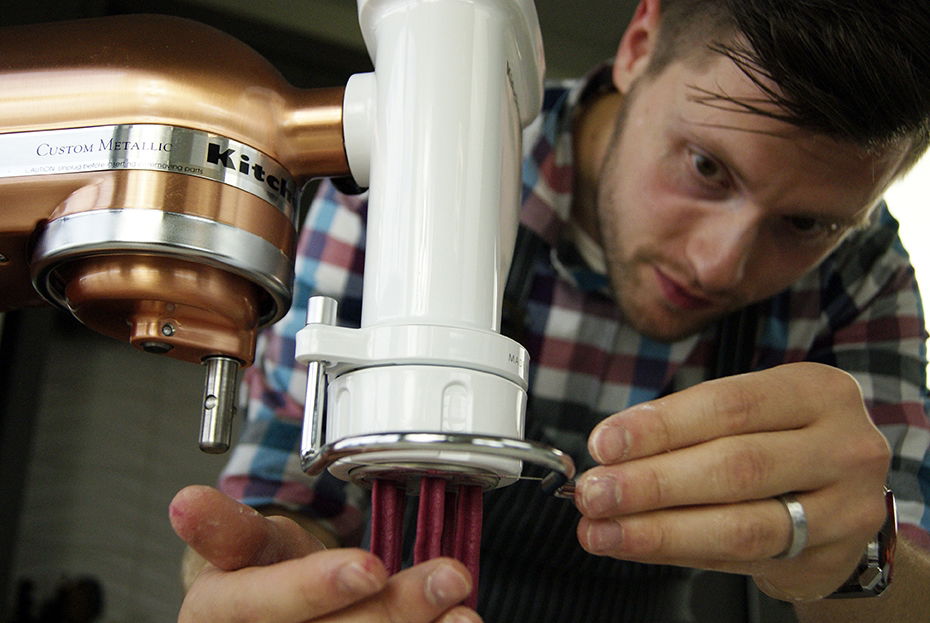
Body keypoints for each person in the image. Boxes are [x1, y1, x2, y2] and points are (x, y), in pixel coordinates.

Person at [169, 0, 930, 621]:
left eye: (806, 224)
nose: (717, 263)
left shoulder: (860, 280)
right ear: (639, 42)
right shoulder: (400, 180)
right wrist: (270, 570)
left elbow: (909, 583)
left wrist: (859, 555)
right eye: (706, 166)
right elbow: (285, 491)